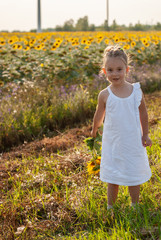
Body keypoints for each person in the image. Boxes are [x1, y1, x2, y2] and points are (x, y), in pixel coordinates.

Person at [91, 45, 152, 210]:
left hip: (132, 141)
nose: (115, 73)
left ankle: (135, 204)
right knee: (113, 174)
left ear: (127, 69)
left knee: (133, 173)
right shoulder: (104, 94)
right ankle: (111, 206)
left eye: (119, 69)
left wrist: (145, 135)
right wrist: (94, 130)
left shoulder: (135, 91)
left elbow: (144, 114)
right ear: (104, 71)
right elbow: (99, 115)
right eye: (110, 70)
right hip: (113, 142)